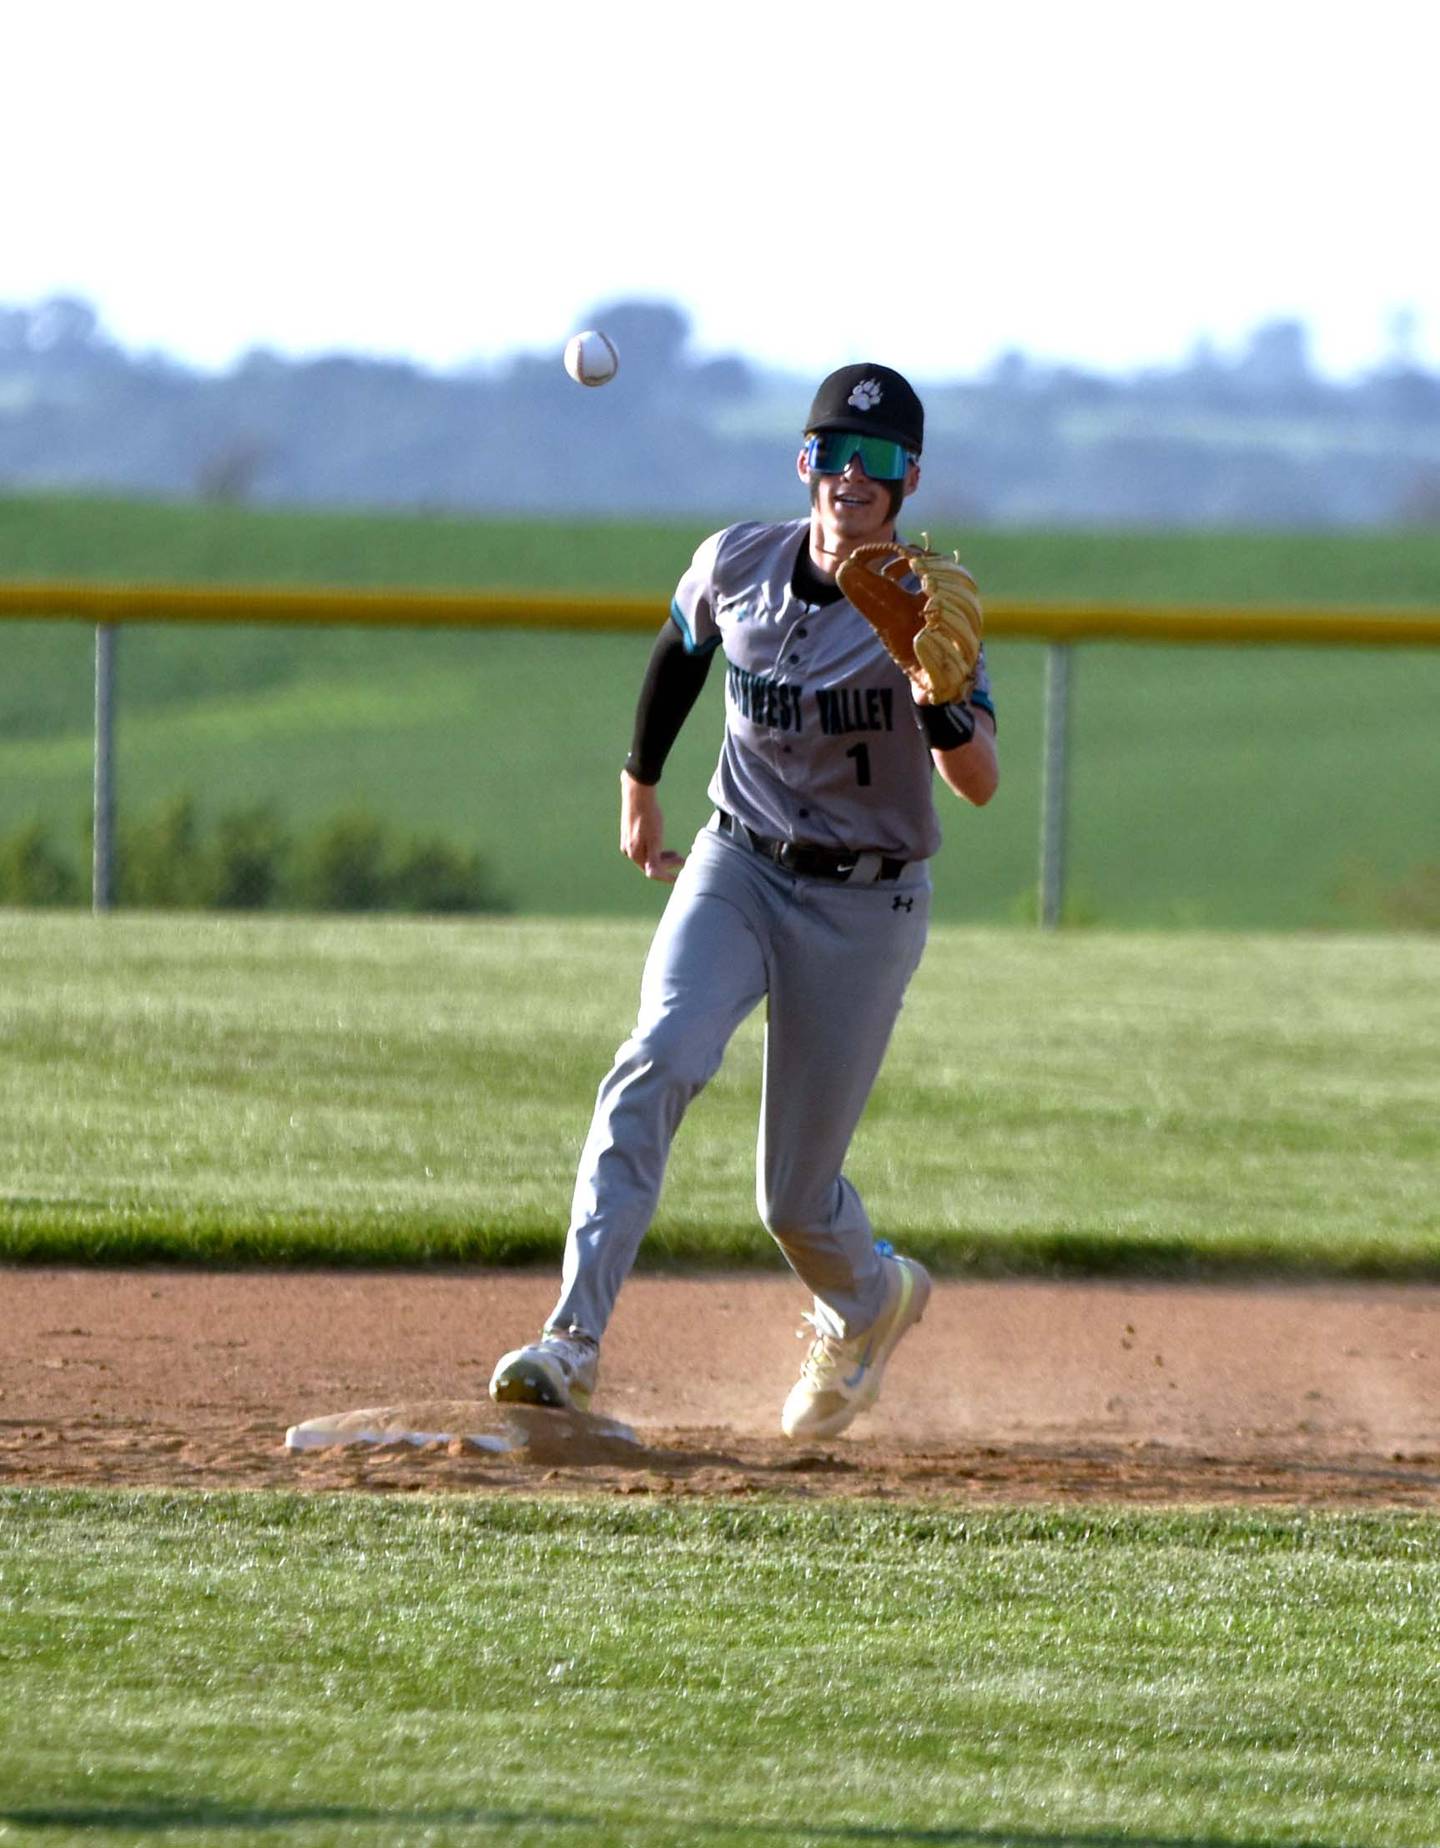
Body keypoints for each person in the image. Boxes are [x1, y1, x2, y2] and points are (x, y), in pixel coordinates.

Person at [489, 362, 999, 1439]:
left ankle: (869, 1301)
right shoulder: (740, 560)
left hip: (867, 906)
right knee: (655, 1060)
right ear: (803, 463)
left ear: (908, 481)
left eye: (879, 460)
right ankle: (570, 1346)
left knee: (793, 1203)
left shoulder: (927, 604)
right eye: (833, 453)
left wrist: (938, 696)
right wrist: (639, 781)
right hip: (737, 865)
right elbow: (680, 648)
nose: (851, 476)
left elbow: (980, 780)